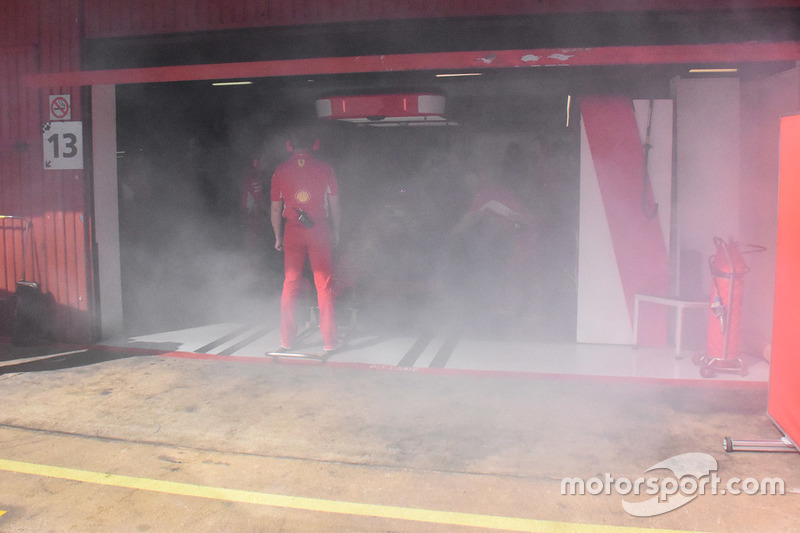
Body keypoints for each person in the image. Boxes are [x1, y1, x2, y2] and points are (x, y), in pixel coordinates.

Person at [270, 129, 341, 352]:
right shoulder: (325, 168)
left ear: (289, 145)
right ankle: (329, 342)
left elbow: (275, 208)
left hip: (293, 232)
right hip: (318, 232)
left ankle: (286, 340)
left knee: (290, 284)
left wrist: (277, 236)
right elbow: (335, 204)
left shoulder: (280, 171)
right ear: (316, 144)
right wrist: (336, 230)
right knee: (324, 286)